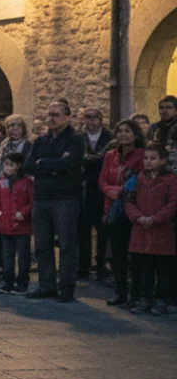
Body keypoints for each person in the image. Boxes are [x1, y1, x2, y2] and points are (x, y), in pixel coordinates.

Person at [24, 100, 85, 302]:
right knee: (42, 244)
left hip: (65, 198)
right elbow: (29, 166)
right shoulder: (41, 141)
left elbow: (69, 163)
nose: (51, 119)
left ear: (67, 117)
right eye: (49, 115)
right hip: (42, 198)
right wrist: (53, 165)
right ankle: (46, 284)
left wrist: (45, 164)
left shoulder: (75, 140)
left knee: (67, 244)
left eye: (56, 115)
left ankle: (66, 286)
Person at [125, 143, 177, 315]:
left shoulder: (170, 180)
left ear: (162, 160)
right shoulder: (137, 178)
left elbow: (172, 203)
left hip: (161, 231)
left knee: (162, 268)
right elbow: (129, 201)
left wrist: (155, 218)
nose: (148, 162)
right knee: (144, 268)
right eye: (146, 158)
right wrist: (138, 217)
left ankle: (161, 299)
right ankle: (144, 298)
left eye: (153, 158)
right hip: (141, 229)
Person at [100, 120, 145, 307]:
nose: (123, 134)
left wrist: (122, 190)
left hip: (133, 208)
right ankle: (120, 292)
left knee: (134, 255)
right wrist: (110, 189)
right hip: (114, 208)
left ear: (135, 134)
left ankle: (136, 295)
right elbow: (102, 179)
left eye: (127, 131)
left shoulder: (142, 155)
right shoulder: (110, 155)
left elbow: (142, 179)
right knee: (117, 254)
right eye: (119, 131)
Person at [0, 152, 33, 295]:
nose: (7, 167)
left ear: (18, 166)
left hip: (21, 225)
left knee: (23, 256)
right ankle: (8, 282)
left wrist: (23, 212)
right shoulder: (1, 182)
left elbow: (32, 201)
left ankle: (22, 283)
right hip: (5, 224)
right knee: (7, 256)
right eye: (5, 164)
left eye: (11, 164)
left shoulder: (27, 182)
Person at [78, 108, 111, 280]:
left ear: (100, 119)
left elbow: (107, 159)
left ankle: (101, 266)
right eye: (87, 118)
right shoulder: (79, 138)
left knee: (102, 230)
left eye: (94, 118)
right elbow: (78, 159)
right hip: (84, 189)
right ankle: (83, 265)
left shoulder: (109, 138)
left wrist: (88, 160)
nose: (90, 121)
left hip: (102, 189)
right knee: (83, 230)